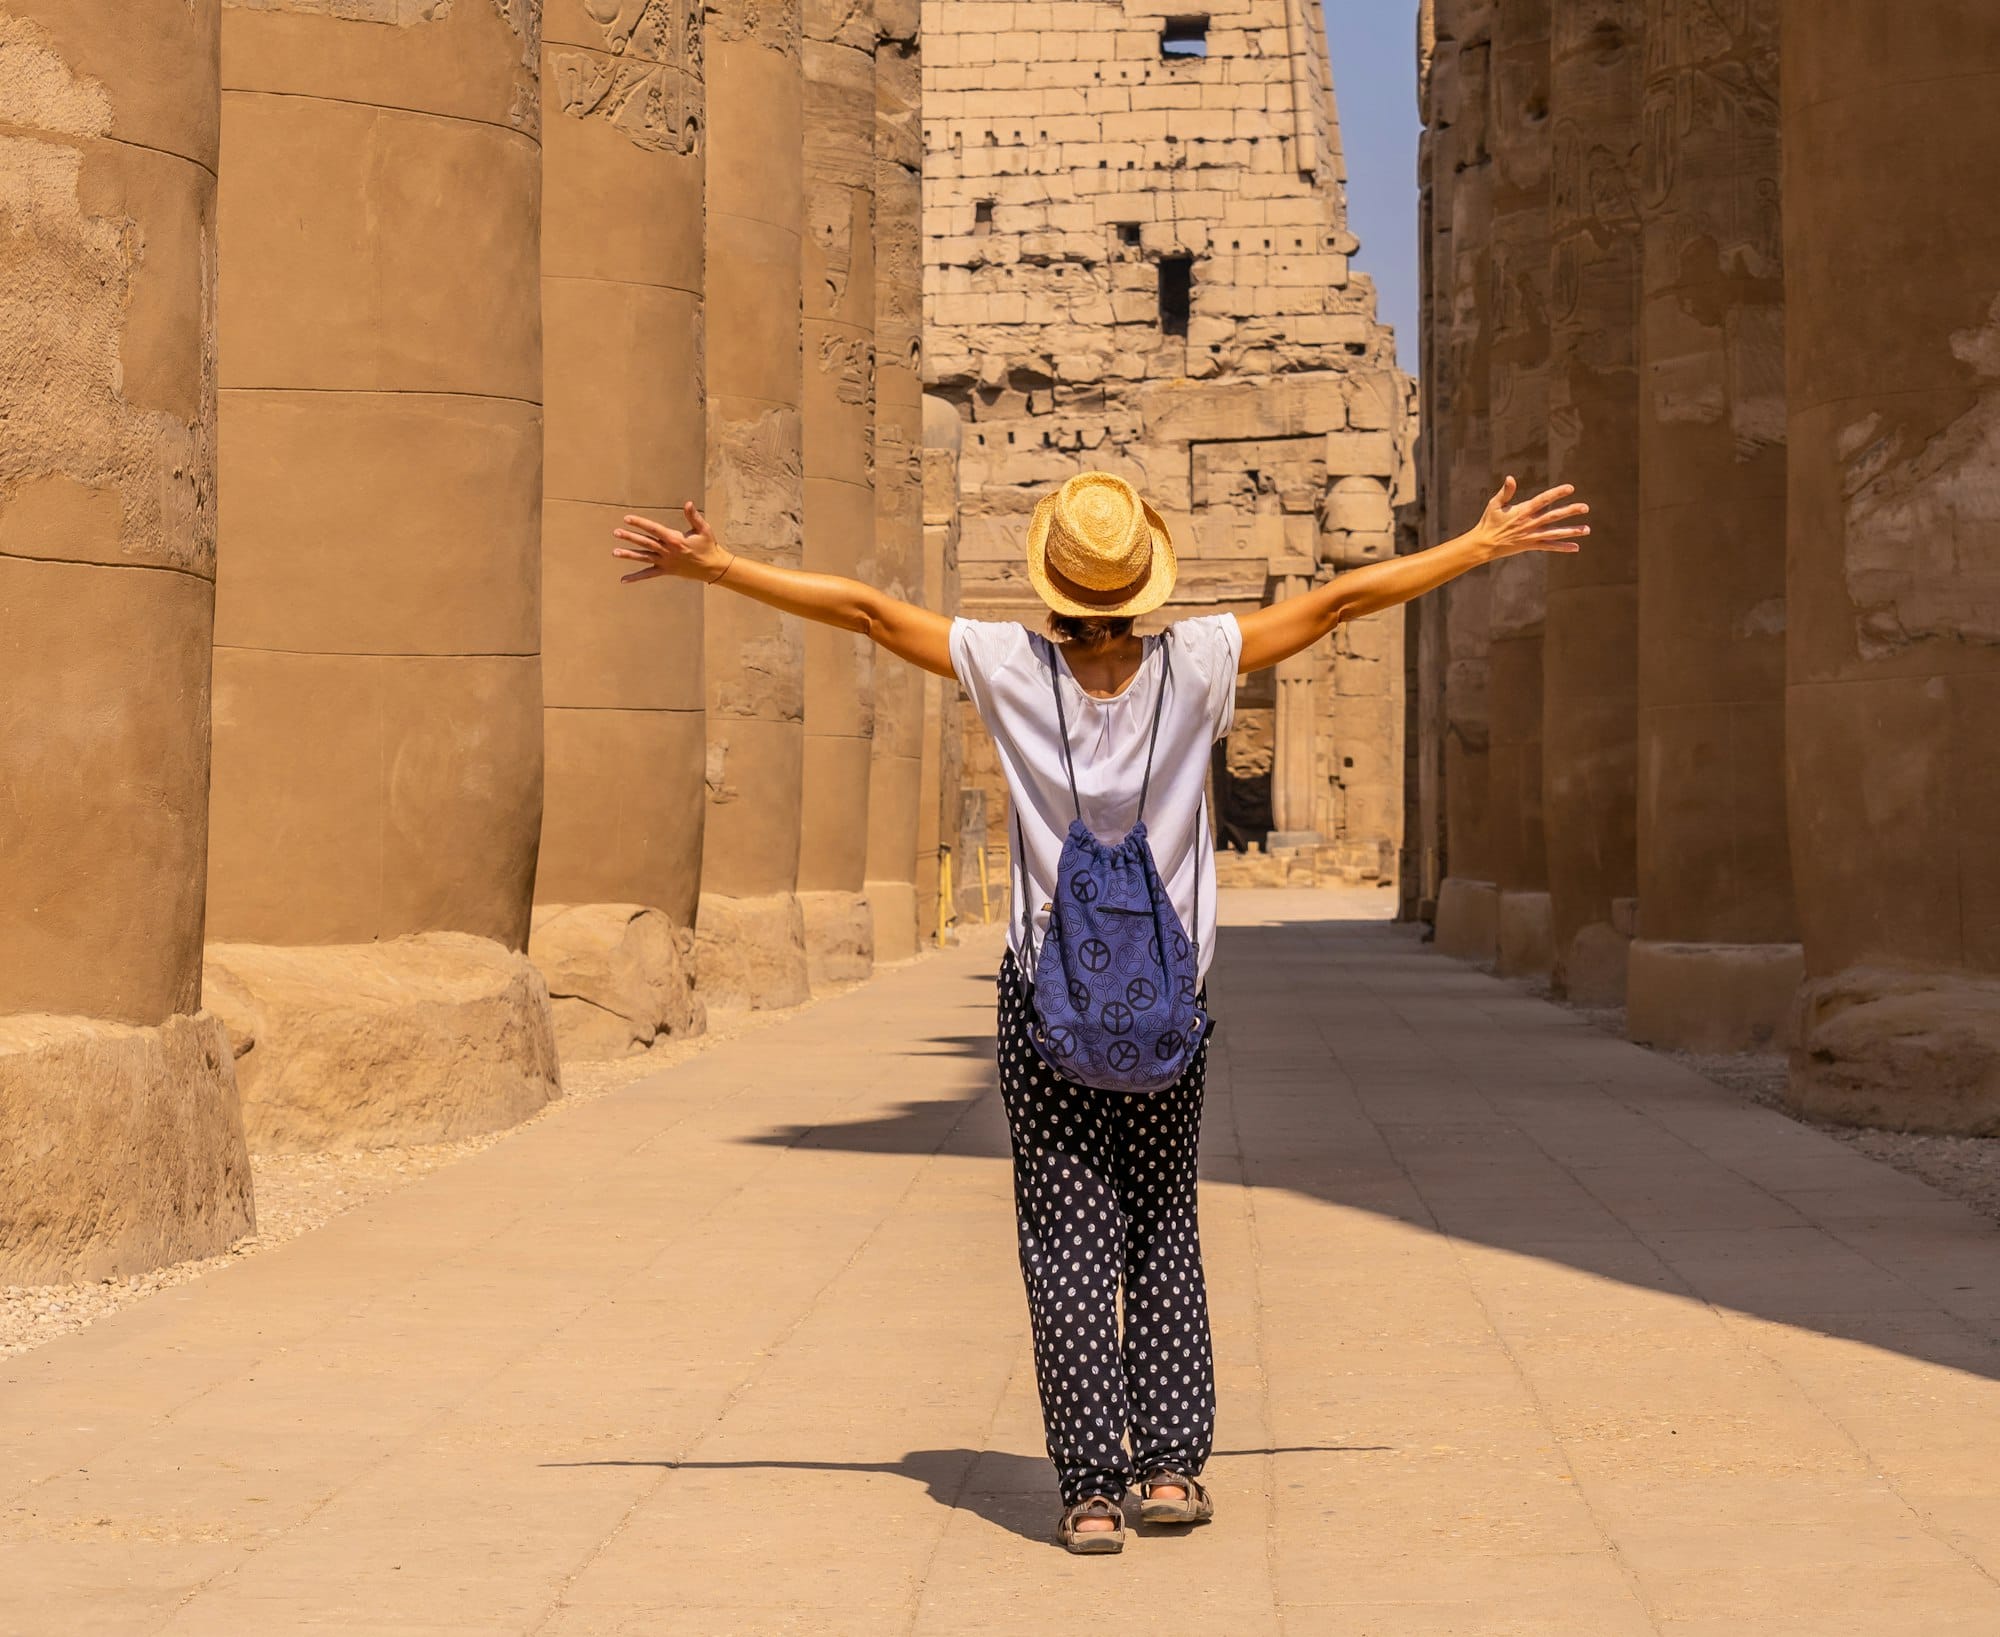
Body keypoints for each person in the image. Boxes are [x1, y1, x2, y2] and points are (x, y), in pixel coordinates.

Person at [613, 468, 1589, 1554]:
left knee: (1066, 1235)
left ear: (1054, 588)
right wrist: (1476, 546)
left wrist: (719, 566)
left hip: (1047, 1000)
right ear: (1141, 589)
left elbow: (864, 609)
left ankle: (1086, 1488)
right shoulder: (1201, 662)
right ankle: (1167, 1469)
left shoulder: (1008, 667)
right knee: (1161, 1222)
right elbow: (1341, 603)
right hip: (1167, 1000)